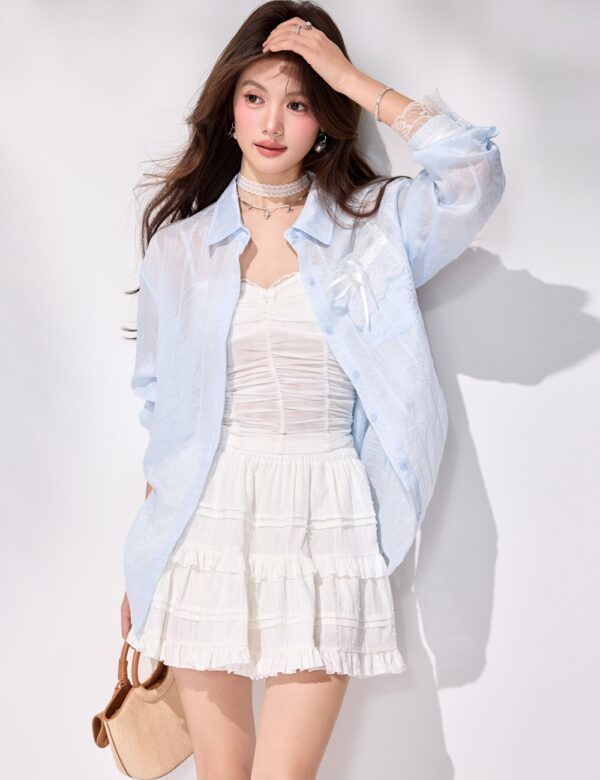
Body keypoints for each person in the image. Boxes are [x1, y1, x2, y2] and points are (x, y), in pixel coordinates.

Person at [120, 1, 505, 777]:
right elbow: (162, 413)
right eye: (255, 96)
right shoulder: (181, 249)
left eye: (299, 104)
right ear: (228, 107)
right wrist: (146, 561)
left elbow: (472, 173)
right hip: (202, 519)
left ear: (325, 121)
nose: (272, 122)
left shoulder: (374, 228)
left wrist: (348, 77)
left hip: (325, 513)